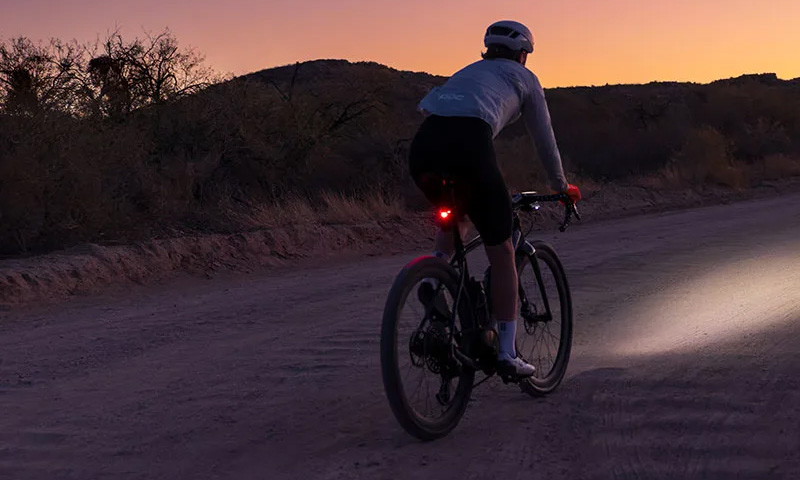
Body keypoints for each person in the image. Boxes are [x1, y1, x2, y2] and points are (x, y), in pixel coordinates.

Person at [409, 20, 582, 378]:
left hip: (424, 147)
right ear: (523, 54)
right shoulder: (525, 79)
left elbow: (438, 114)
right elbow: (544, 140)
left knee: (455, 214)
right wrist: (562, 185)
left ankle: (432, 276)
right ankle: (506, 353)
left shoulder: (468, 72)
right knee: (502, 250)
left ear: (488, 49)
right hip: (471, 147)